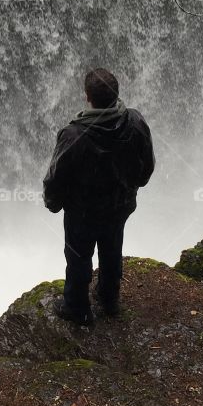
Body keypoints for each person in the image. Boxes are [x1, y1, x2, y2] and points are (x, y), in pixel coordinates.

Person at [42, 68, 154, 324]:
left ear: (87, 97)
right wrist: (134, 186)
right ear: (116, 95)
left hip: (83, 212)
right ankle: (109, 298)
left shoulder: (73, 135)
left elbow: (56, 177)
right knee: (112, 248)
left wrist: (53, 203)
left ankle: (77, 308)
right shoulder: (135, 121)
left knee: (79, 256)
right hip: (120, 204)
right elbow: (146, 164)